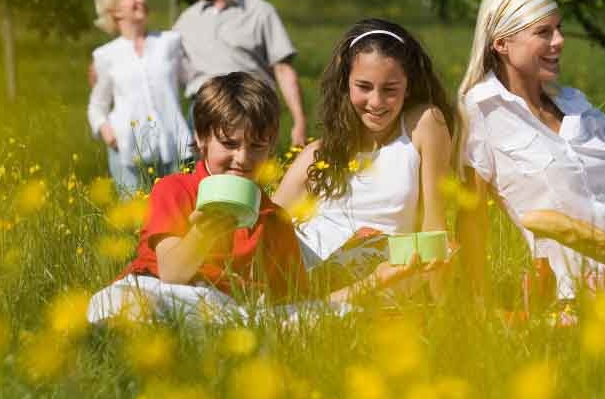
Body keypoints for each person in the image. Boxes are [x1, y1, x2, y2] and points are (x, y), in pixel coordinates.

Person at [87, 73, 437, 325]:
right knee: (125, 303)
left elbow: (303, 306)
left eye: (257, 146)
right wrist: (204, 231)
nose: (243, 158)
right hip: (165, 292)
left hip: (229, 313)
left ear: (271, 147)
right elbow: (173, 274)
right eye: (230, 144)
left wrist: (382, 278)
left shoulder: (273, 220)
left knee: (336, 318)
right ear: (202, 139)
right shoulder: (177, 190)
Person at [457, 0, 605, 301]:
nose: (560, 40)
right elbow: (471, 221)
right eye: (543, 32)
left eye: (559, 28)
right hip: (577, 294)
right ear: (501, 43)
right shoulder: (479, 113)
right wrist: (479, 309)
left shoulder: (575, 105)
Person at [273, 19, 455, 296]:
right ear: (345, 84)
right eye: (364, 87)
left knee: (374, 249)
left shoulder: (423, 125)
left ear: (408, 87)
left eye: (390, 89)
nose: (377, 102)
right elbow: (268, 225)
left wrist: (443, 308)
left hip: (381, 270)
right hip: (310, 265)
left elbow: (434, 222)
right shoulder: (318, 154)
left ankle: (303, 303)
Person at [175, 0, 308, 148]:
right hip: (202, 114)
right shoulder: (187, 20)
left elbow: (283, 69)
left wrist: (299, 121)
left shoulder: (260, 12)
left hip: (251, 110)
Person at [87, 0, 192, 196]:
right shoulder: (106, 55)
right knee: (136, 220)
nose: (141, 0)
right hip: (126, 147)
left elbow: (193, 84)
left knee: (179, 211)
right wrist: (106, 131)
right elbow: (98, 105)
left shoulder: (169, 42)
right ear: (115, 11)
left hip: (173, 144)